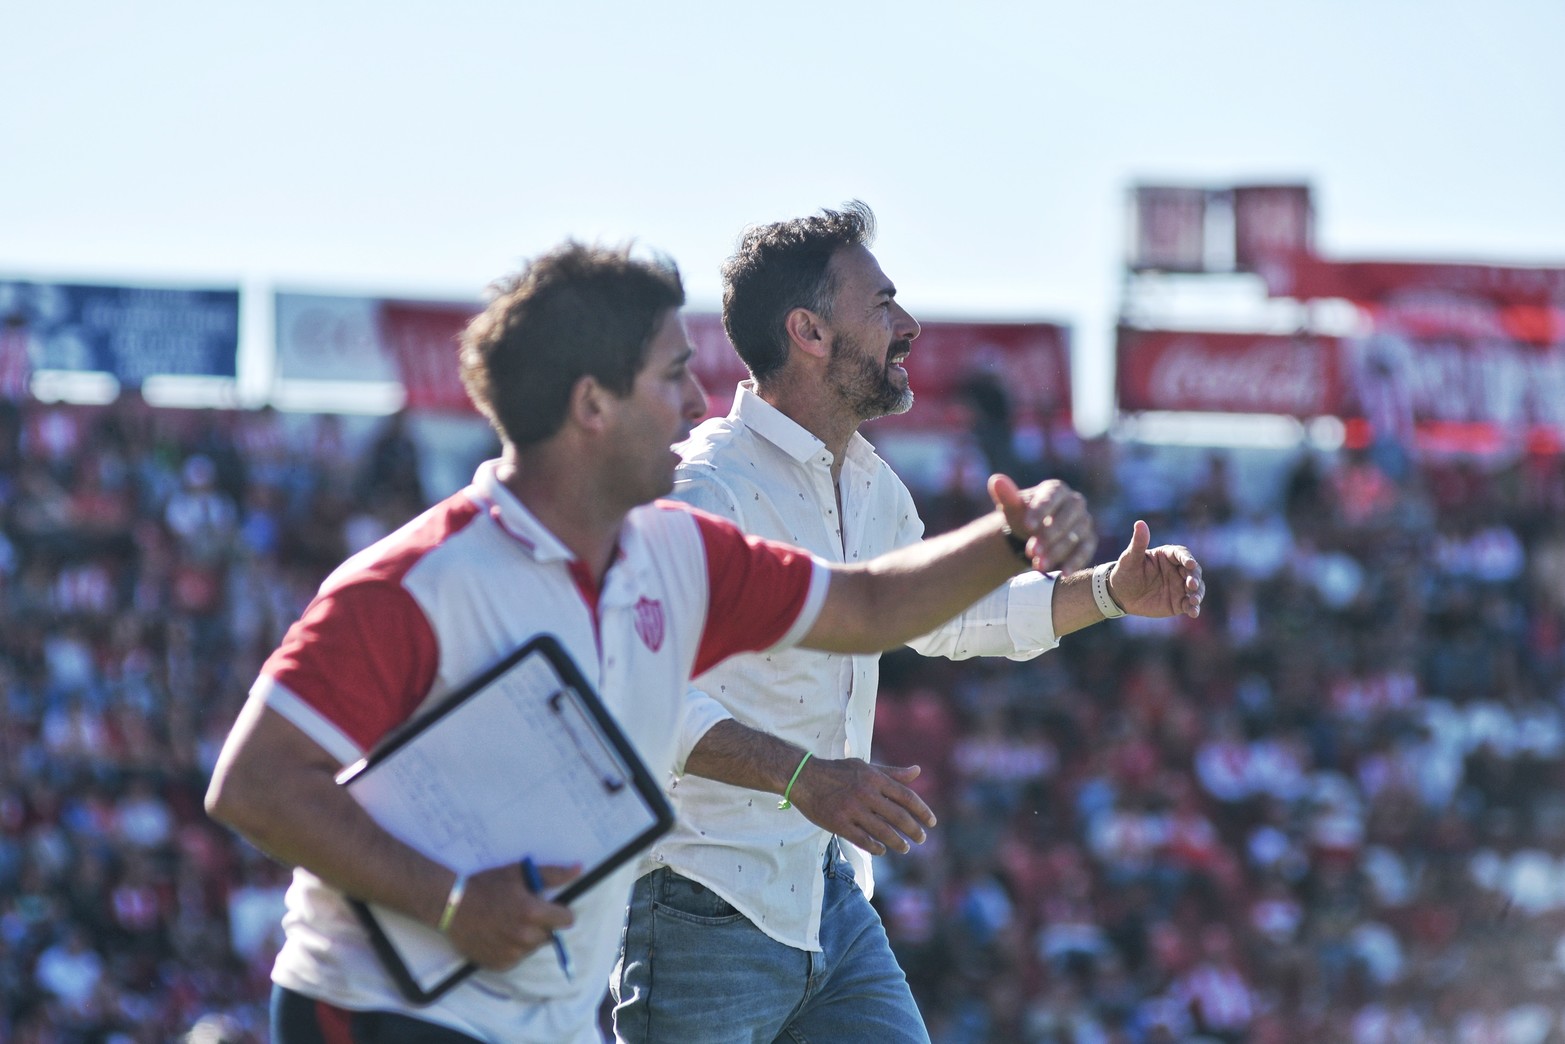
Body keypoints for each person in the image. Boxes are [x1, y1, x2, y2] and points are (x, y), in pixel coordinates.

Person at [204, 240, 1101, 1044]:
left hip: (545, 1012)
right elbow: (254, 787)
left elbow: (868, 608)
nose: (700, 399)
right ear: (592, 403)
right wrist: (448, 902)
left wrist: (1009, 541)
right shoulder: (416, 582)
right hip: (372, 1013)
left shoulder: (676, 552)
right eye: (672, 374)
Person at [610, 203, 1205, 1043]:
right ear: (809, 331)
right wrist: (804, 778)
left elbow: (954, 621)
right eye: (882, 304)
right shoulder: (701, 487)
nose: (908, 324)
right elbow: (639, 697)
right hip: (697, 902)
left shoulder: (872, 483)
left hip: (828, 902)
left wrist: (1108, 592)